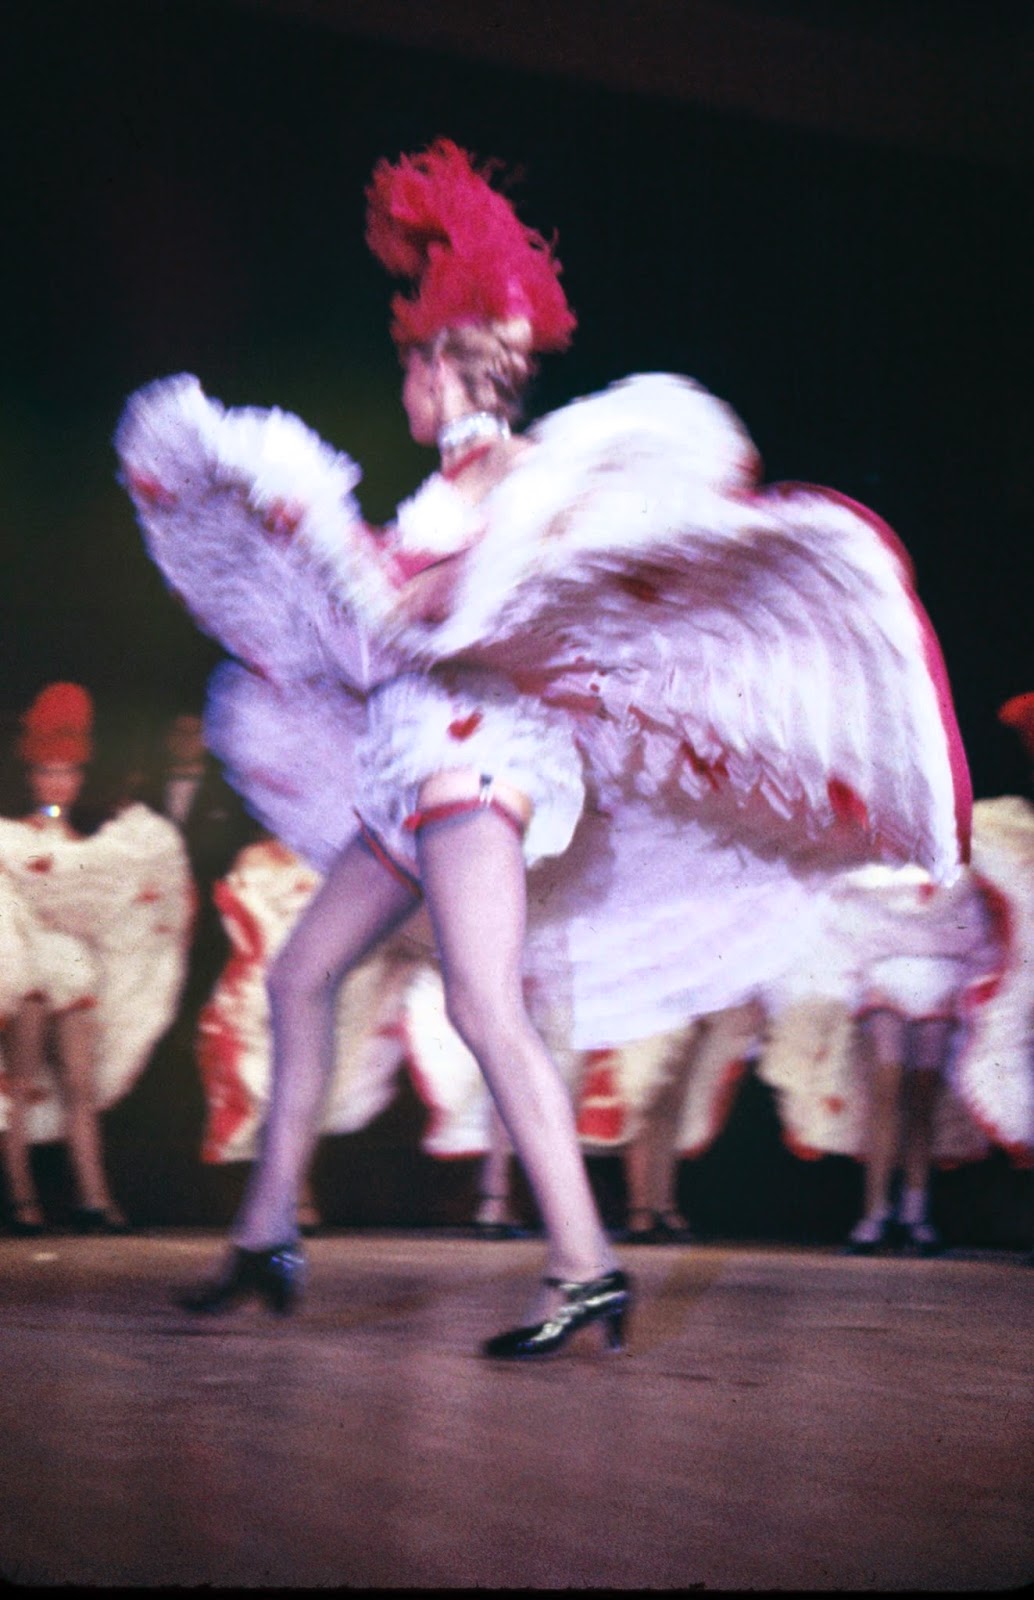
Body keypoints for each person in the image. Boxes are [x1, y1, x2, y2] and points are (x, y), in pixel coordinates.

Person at [118, 139, 970, 1358]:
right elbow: (400, 619)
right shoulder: (447, 485)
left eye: (409, 363)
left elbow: (462, 610)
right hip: (414, 769)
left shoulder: (514, 476)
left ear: (445, 365)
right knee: (303, 976)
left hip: (472, 762)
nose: (402, 388)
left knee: (484, 1000)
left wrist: (364, 573)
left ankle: (583, 1264)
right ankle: (266, 1236)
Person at [0, 683, 193, 1233]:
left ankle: (94, 1196)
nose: (57, 780)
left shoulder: (96, 843)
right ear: (30, 773)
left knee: (81, 1084)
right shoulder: (12, 838)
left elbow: (107, 897)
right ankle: (21, 1200)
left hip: (76, 967)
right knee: (23, 1079)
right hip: (32, 967)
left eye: (67, 770)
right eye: (47, 770)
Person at [758, 860, 1008, 1254]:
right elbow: (848, 932)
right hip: (886, 981)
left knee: (923, 1098)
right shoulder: (873, 873)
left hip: (941, 982)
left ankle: (915, 1214)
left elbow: (976, 938)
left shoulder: (958, 875)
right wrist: (867, 981)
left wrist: (957, 988)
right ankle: (875, 1215)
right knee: (885, 1093)